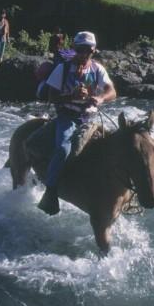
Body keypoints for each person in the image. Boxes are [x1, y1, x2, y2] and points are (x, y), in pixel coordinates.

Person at [37, 31, 116, 216]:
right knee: (63, 148)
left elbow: (111, 91)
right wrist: (71, 96)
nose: (83, 54)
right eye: (79, 50)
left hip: (90, 117)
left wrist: (100, 98)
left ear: (93, 50)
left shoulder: (97, 69)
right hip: (68, 115)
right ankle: (50, 191)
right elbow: (52, 97)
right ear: (74, 49)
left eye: (87, 50)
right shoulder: (63, 69)